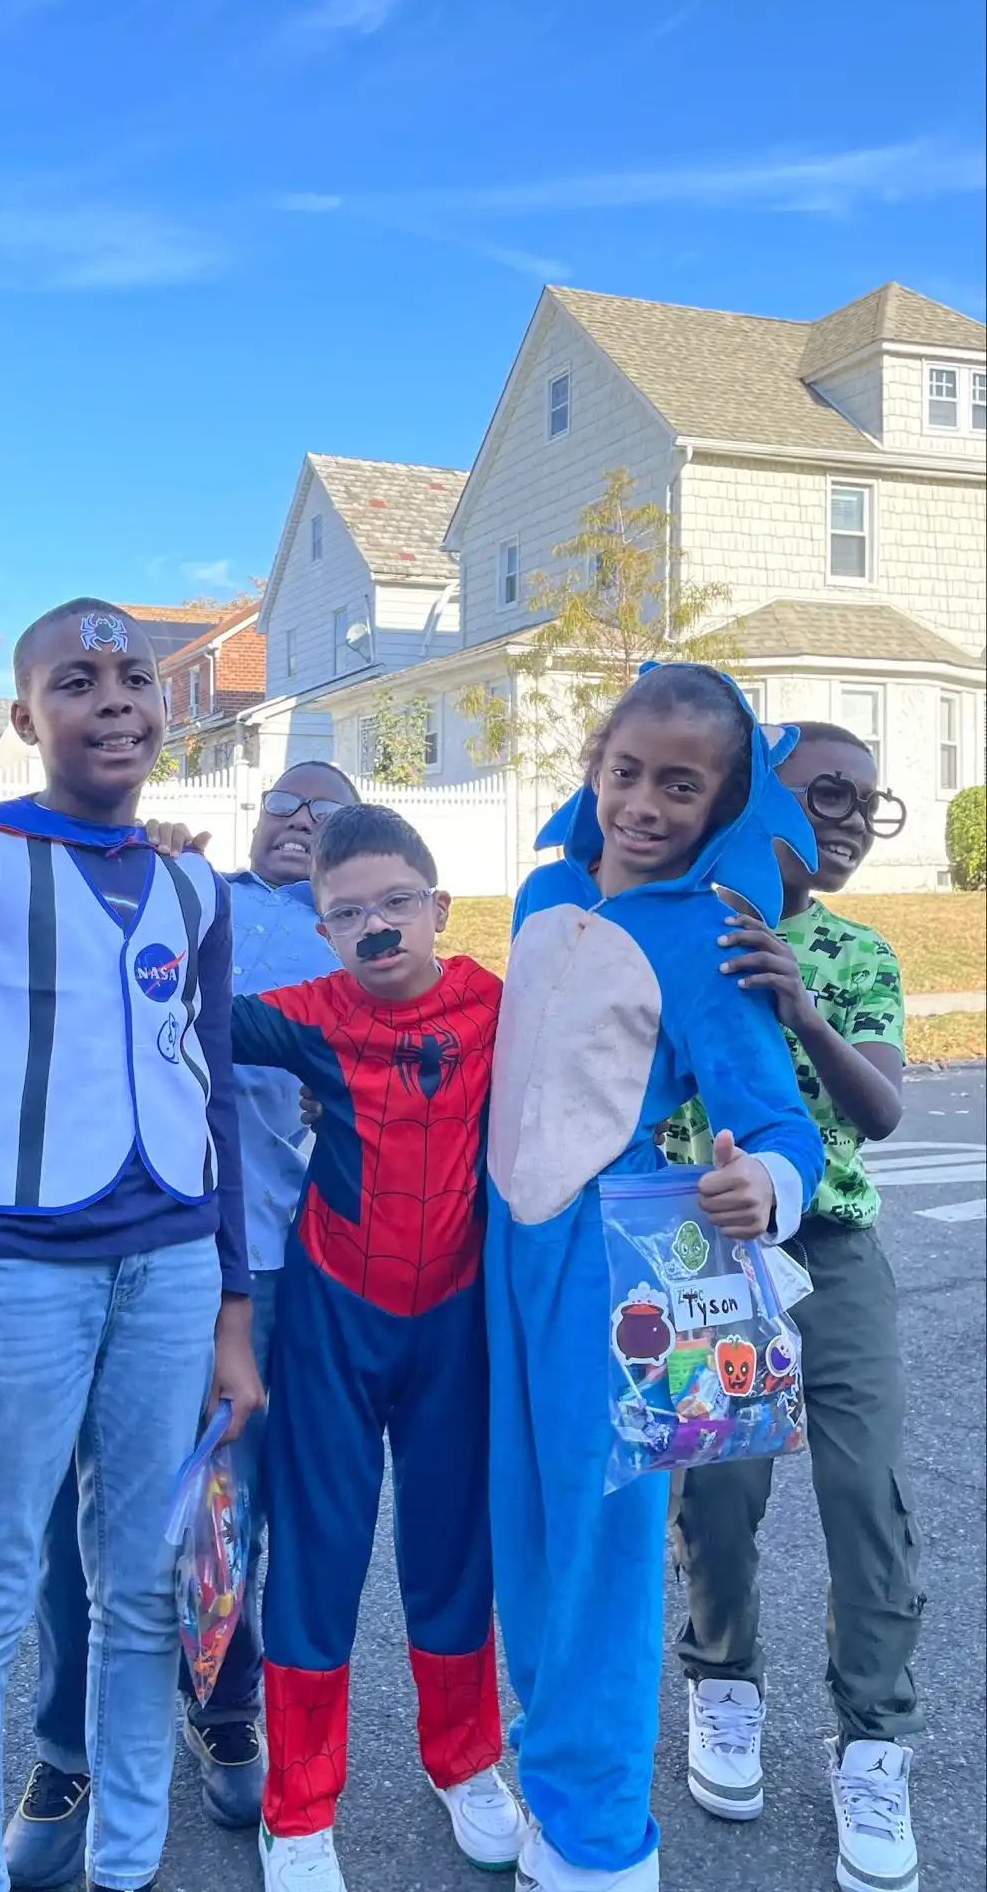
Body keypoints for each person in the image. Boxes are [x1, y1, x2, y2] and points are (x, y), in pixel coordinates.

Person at [0, 598, 263, 1892]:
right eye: (77, 681)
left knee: (144, 1589)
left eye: (134, 676)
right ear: (27, 719)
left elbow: (218, 1097)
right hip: (15, 1270)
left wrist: (234, 1312)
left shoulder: (195, 883)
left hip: (174, 1268)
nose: (116, 699)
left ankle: (125, 1865)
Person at [483, 664, 828, 1892]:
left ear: (725, 796)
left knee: (608, 1548)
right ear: (594, 766)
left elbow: (784, 1126)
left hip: (609, 1268)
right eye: (623, 771)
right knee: (517, 1535)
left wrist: (764, 1187)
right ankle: (553, 1781)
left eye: (679, 784)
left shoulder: (707, 931)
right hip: (495, 1255)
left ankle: (602, 1844)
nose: (642, 801)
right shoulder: (542, 885)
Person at [2, 763, 356, 1889]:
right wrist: (144, 862)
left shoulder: (358, 930)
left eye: (327, 806)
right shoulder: (181, 881)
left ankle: (227, 1706)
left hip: (271, 1262)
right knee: (79, 1518)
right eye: (285, 800)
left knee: (226, 1513)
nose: (299, 817)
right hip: (116, 1251)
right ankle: (65, 1749)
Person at [226, 802, 527, 1892]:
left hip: (454, 1316)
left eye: (397, 902)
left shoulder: (500, 1004)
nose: (377, 927)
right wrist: (168, 878)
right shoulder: (308, 1012)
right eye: (347, 912)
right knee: (316, 1549)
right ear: (320, 929)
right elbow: (171, 1004)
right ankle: (296, 1804)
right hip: (334, 1318)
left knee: (455, 1546)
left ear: (438, 905)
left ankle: (467, 1762)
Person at [664, 721, 920, 1892]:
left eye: (871, 803)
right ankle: (722, 1681)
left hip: (836, 1245)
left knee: (863, 1489)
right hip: (712, 1247)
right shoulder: (683, 932)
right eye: (827, 792)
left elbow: (879, 1113)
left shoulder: (860, 952)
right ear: (761, 791)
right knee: (719, 1483)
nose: (853, 820)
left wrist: (801, 1002)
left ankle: (872, 1737)